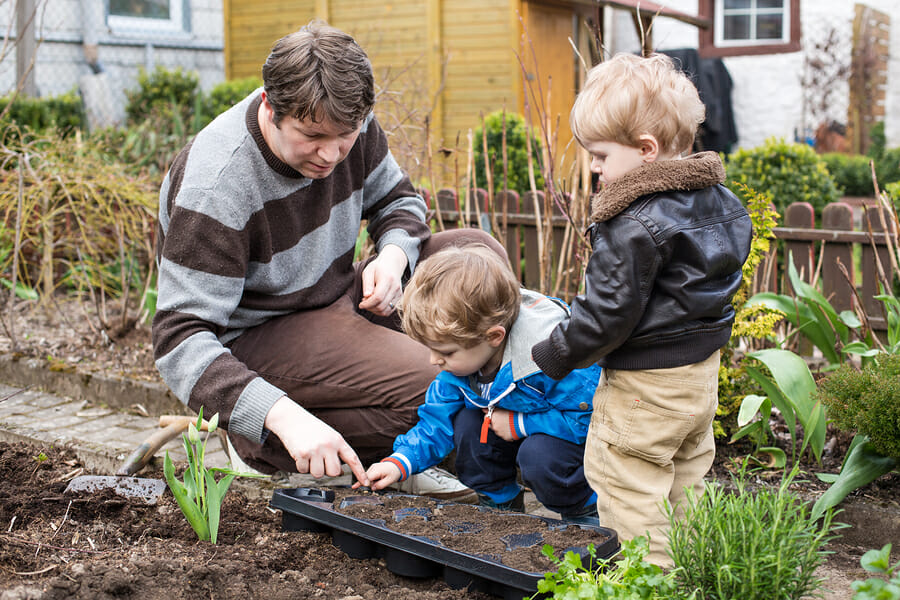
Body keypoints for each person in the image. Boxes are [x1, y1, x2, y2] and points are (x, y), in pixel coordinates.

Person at [152, 20, 506, 500]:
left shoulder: (347, 121)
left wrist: (395, 257)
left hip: (338, 294)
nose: (332, 154)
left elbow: (398, 200)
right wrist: (282, 416)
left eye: (346, 135)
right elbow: (180, 340)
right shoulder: (216, 187)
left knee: (475, 255)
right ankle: (266, 443)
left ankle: (504, 414)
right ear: (269, 106)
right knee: (435, 381)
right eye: (312, 136)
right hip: (262, 335)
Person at [530, 53, 753, 565]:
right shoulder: (723, 200)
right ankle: (695, 573)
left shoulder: (631, 222)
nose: (594, 166)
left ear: (646, 150)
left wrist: (555, 353)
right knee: (685, 481)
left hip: (645, 385)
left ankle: (648, 583)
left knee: (628, 484)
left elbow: (608, 314)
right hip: (699, 377)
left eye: (602, 155)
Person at [356, 244, 603, 524]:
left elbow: (589, 419)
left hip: (566, 442)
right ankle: (500, 506)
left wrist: (520, 424)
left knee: (540, 459)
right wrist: (400, 462)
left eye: (446, 352)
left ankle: (583, 511)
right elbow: (435, 424)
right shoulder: (459, 370)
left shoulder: (551, 358)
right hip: (510, 425)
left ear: (494, 337)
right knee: (468, 426)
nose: (433, 360)